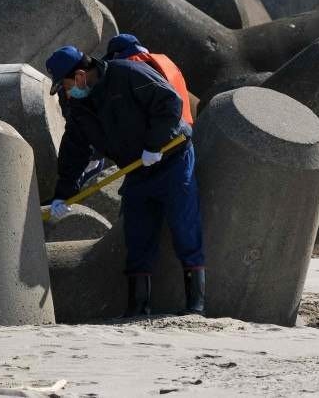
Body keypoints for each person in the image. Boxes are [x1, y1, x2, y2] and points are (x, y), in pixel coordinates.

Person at [46, 46, 204, 317]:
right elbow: (75, 149)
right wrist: (64, 193)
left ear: (82, 76)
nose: (66, 93)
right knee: (137, 235)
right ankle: (138, 307)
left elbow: (170, 102)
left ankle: (195, 305)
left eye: (67, 85)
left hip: (171, 159)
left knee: (184, 228)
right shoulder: (80, 107)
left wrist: (155, 144)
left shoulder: (129, 74)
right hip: (137, 170)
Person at [104, 33, 194, 125]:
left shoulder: (131, 66)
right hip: (185, 129)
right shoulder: (165, 63)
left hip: (165, 130)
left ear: (117, 55)